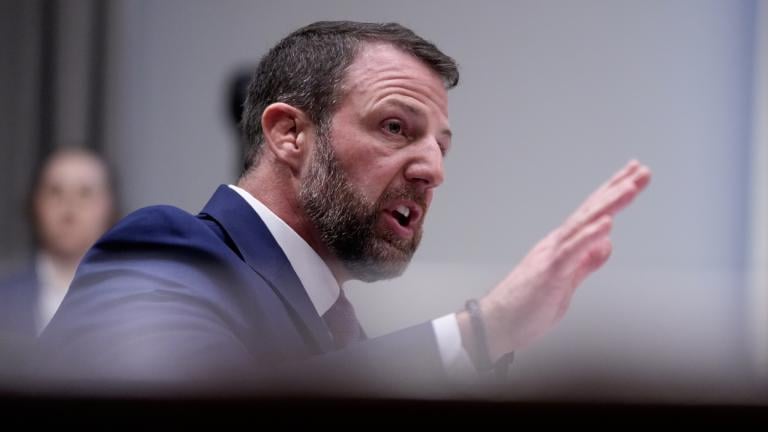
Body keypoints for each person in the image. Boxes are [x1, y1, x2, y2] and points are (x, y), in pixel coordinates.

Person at [36, 21, 651, 396]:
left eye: (441, 146)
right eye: (394, 126)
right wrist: (483, 331)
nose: (433, 169)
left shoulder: (344, 334)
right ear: (289, 134)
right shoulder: (164, 249)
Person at [0, 148, 117, 374]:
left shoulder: (136, 303)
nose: (69, 207)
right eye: (55, 191)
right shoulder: (3, 299)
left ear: (110, 207)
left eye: (85, 193)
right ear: (35, 204)